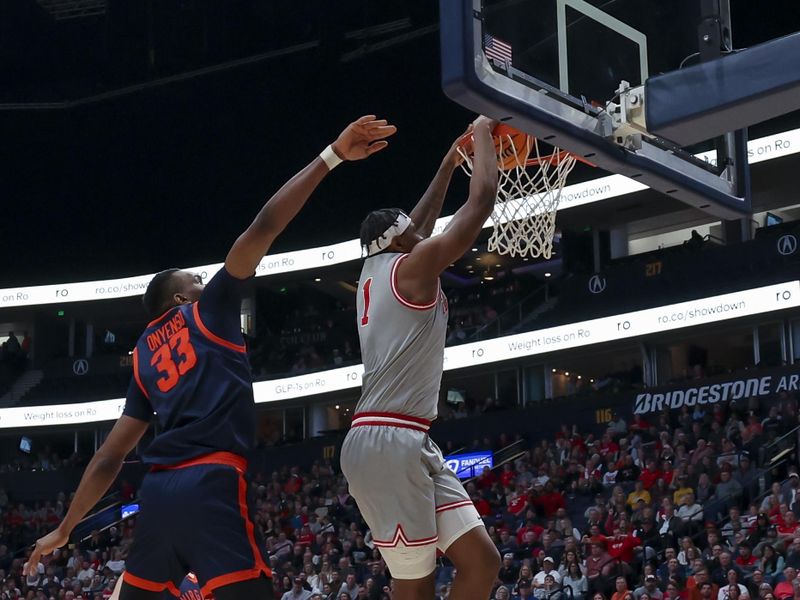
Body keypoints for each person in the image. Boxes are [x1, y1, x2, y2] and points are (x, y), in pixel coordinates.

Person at [24, 115, 398, 600]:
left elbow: (109, 455)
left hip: (157, 495)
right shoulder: (211, 310)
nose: (204, 284)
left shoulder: (141, 357)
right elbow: (264, 226)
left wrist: (66, 527)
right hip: (211, 482)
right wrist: (331, 156)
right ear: (180, 301)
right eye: (193, 282)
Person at [340, 116, 500, 600]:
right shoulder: (412, 267)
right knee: (416, 585)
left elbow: (416, 224)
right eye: (412, 231)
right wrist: (484, 130)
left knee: (482, 562)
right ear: (401, 241)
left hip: (406, 437)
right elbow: (482, 202)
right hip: (385, 439)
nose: (420, 230)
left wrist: (450, 162)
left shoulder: (378, 267)